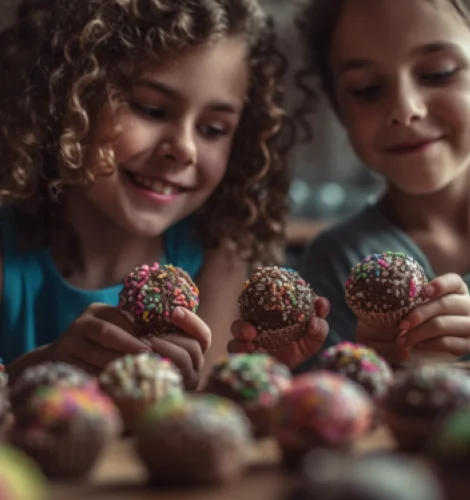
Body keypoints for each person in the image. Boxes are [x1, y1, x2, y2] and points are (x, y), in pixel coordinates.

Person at [0, 0, 293, 388]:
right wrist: (42, 370)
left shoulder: (217, 259)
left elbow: (210, 421)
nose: (184, 148)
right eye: (151, 109)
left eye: (213, 129)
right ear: (65, 96)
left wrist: (198, 388)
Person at [231, 0, 470, 369]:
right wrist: (389, 361)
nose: (405, 109)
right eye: (367, 89)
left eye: (438, 73)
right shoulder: (337, 263)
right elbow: (331, 415)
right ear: (340, 107)